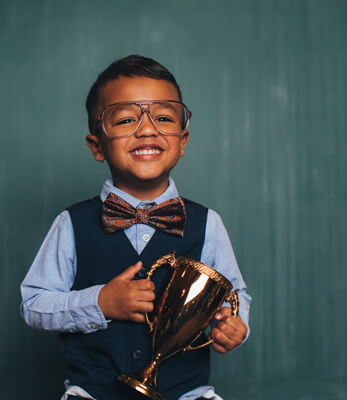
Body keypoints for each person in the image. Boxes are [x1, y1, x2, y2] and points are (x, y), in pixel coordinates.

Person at [20, 55, 251, 400]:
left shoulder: (208, 223)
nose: (146, 129)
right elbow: (33, 304)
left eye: (162, 117)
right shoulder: (71, 223)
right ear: (97, 146)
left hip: (185, 392)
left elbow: (234, 295)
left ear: (182, 140)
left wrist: (232, 326)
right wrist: (100, 302)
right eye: (126, 119)